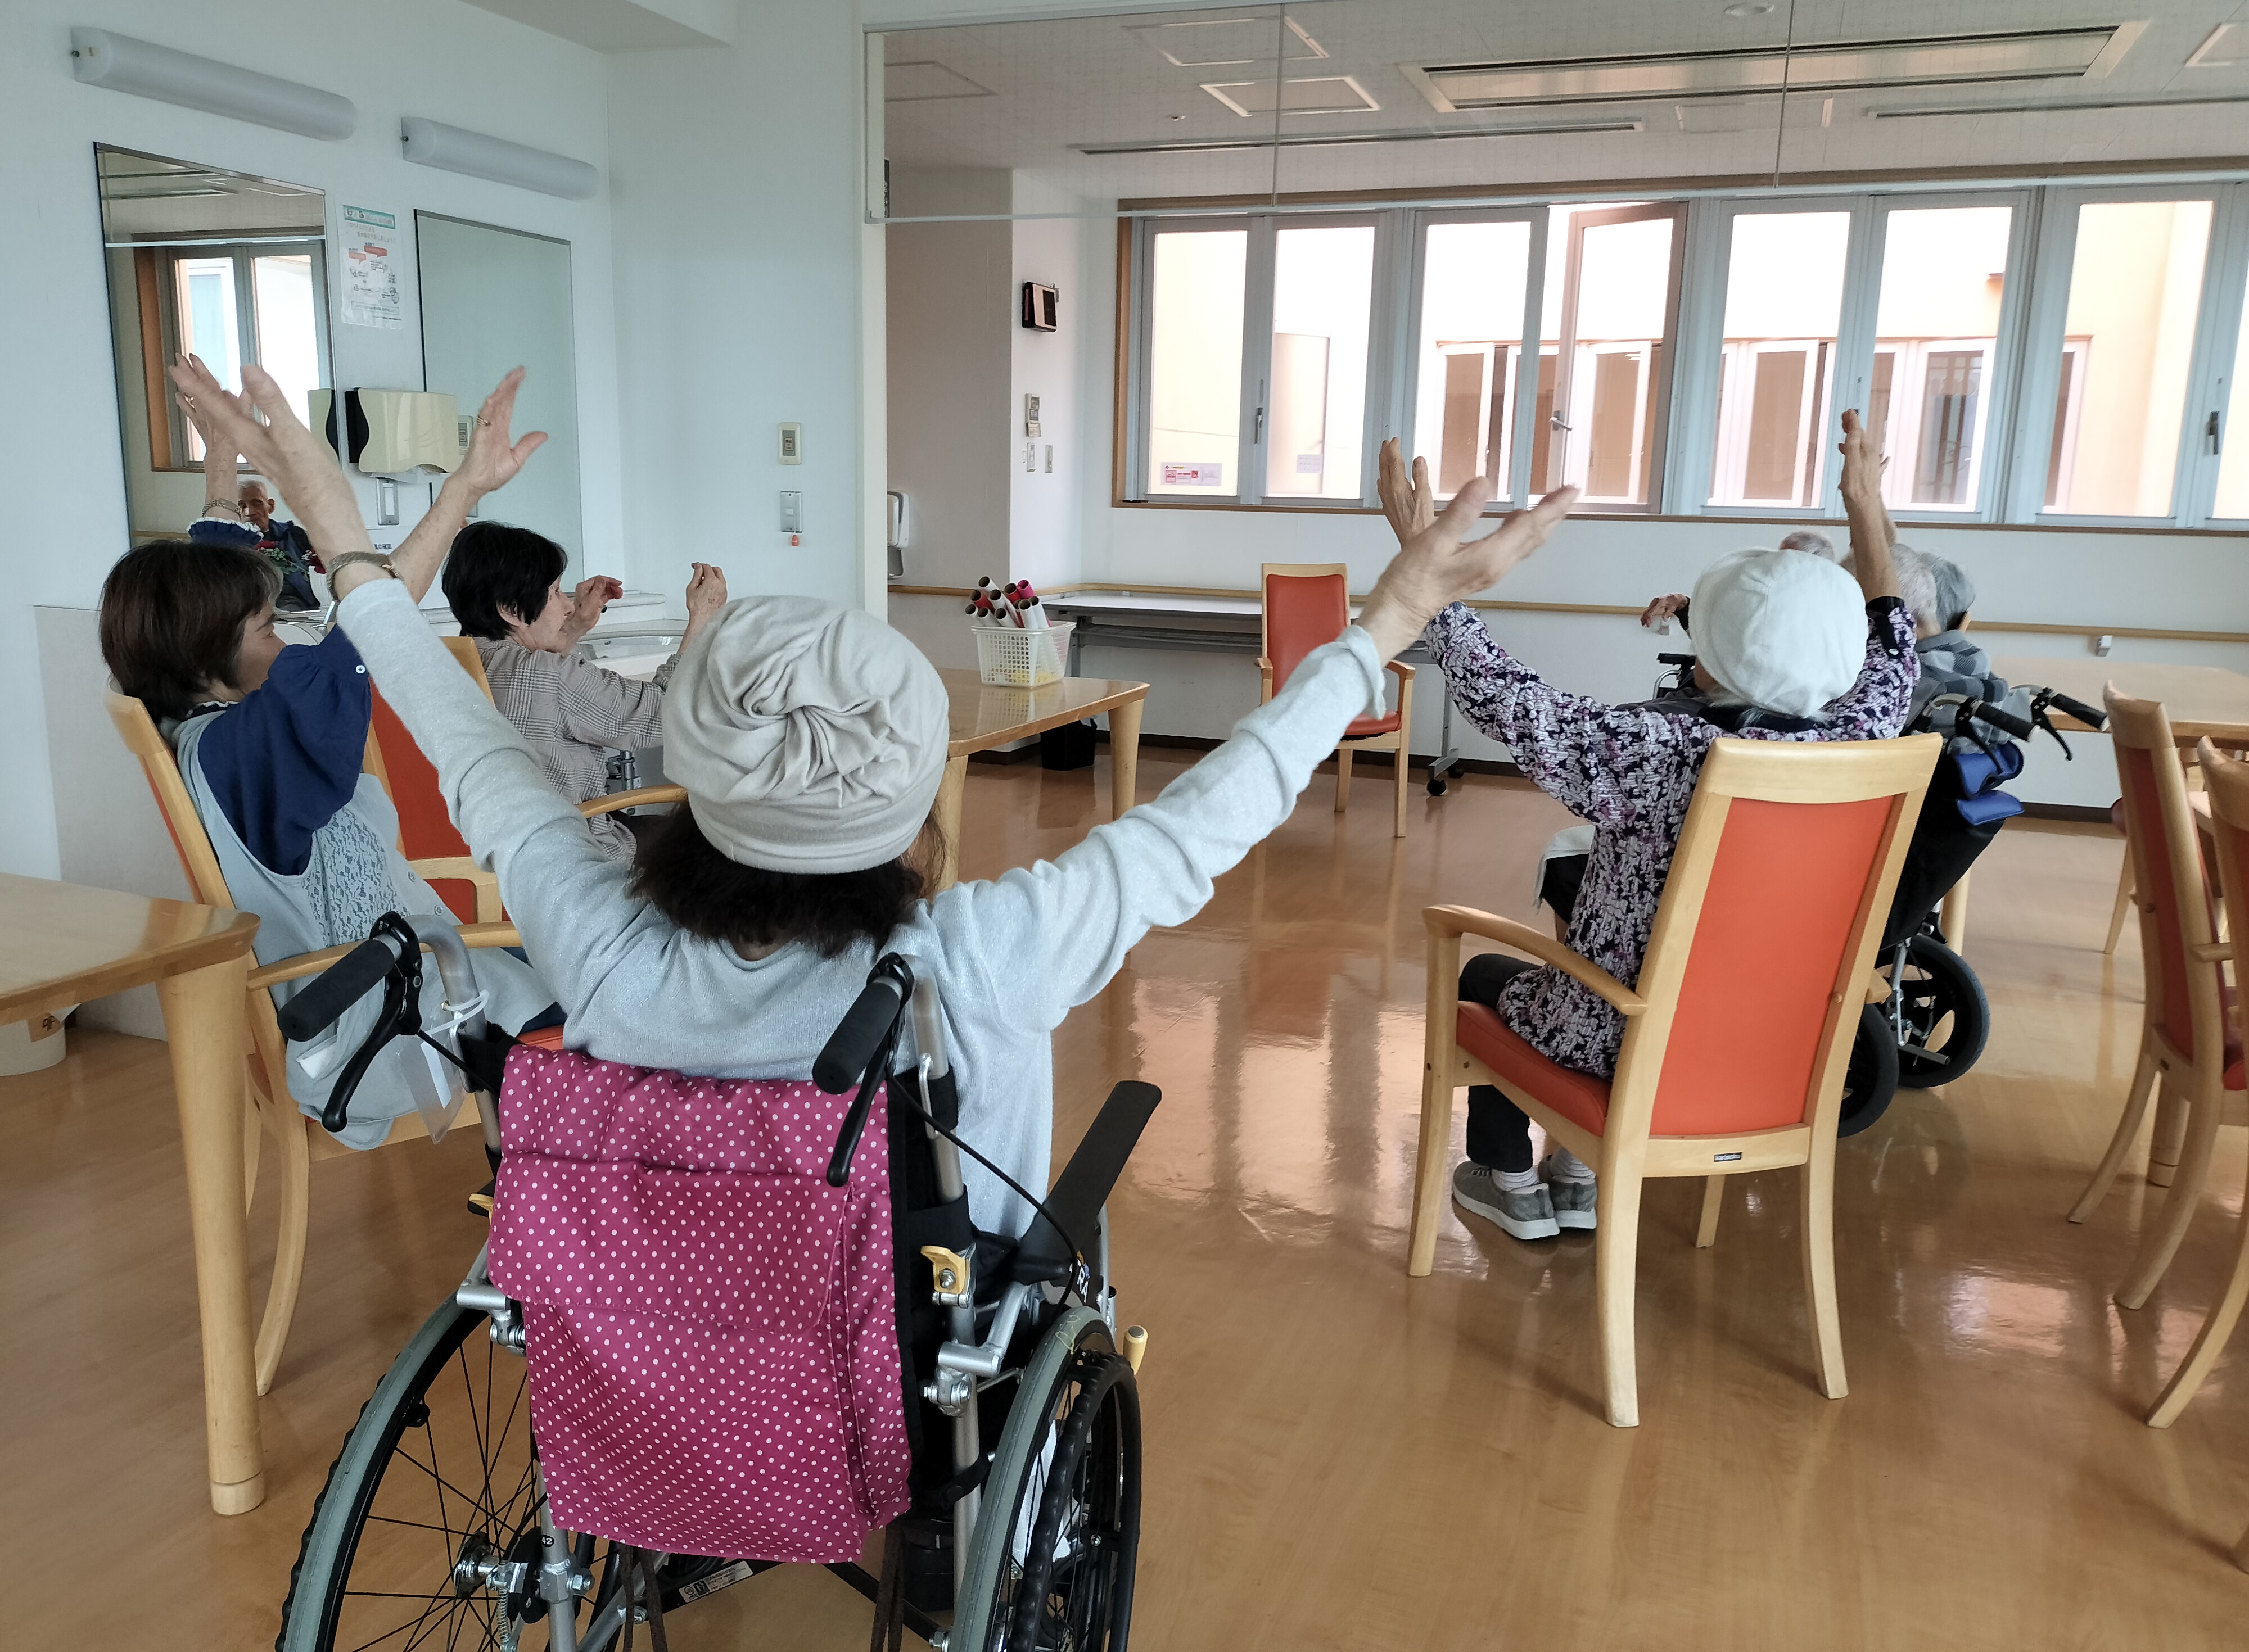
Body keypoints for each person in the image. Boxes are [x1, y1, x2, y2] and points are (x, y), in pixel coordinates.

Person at [175, 357, 1580, 1238]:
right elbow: (1217, 804)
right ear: (912, 803)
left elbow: (452, 724)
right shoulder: (986, 952)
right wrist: (1391, 616)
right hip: (907, 1363)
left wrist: (341, 532)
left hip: (681, 1347)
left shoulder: (593, 934)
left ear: (700, 785)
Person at [1377, 408, 1914, 1242]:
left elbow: (1504, 695)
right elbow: (1893, 635)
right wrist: (1867, 506)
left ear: (1710, 657)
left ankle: (1511, 1183)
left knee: (1483, 974)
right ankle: (1578, 1173)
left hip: (1626, 1040)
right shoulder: (1872, 733)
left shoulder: (1658, 750)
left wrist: (1423, 562)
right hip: (1778, 1048)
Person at [102, 357, 557, 1147]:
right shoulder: (251, 750)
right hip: (380, 1024)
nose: (285, 641)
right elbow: (372, 620)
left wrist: (220, 468)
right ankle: (602, 1206)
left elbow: (210, 606)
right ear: (208, 654)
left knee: (559, 946)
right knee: (615, 999)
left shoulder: (195, 727)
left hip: (378, 983)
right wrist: (459, 495)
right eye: (268, 628)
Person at [441, 522, 729, 858]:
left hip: (497, 849)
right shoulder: (551, 676)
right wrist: (703, 620)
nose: (567, 606)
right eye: (555, 592)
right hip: (573, 854)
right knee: (717, 841)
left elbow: (533, 680)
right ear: (510, 610)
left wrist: (576, 626)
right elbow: (666, 714)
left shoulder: (452, 663)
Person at [186, 410, 323, 613]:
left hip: (308, 607)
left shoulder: (294, 534)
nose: (250, 511)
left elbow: (317, 568)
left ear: (271, 506)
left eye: (256, 503)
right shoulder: (231, 544)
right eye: (241, 505)